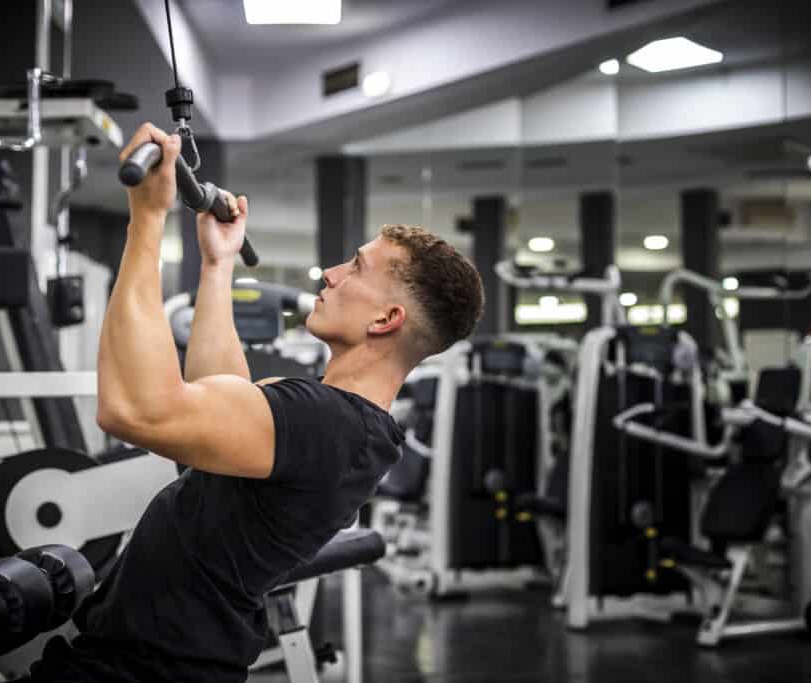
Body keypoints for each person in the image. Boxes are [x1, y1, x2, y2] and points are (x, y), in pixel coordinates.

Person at [26, 123, 485, 682]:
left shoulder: (331, 425)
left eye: (356, 268)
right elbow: (226, 397)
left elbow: (133, 410)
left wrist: (146, 221)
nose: (333, 274)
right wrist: (217, 266)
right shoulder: (344, 424)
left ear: (386, 320)